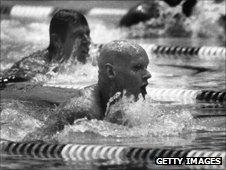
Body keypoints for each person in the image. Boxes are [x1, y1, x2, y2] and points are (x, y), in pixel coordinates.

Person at [25, 40, 151, 140]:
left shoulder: (121, 102)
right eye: (138, 68)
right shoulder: (84, 110)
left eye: (145, 67)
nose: (148, 74)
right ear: (111, 72)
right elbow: (35, 142)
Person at [0, 9, 91, 85]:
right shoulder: (35, 67)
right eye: (78, 35)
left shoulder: (87, 64)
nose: (87, 41)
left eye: (87, 34)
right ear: (57, 41)